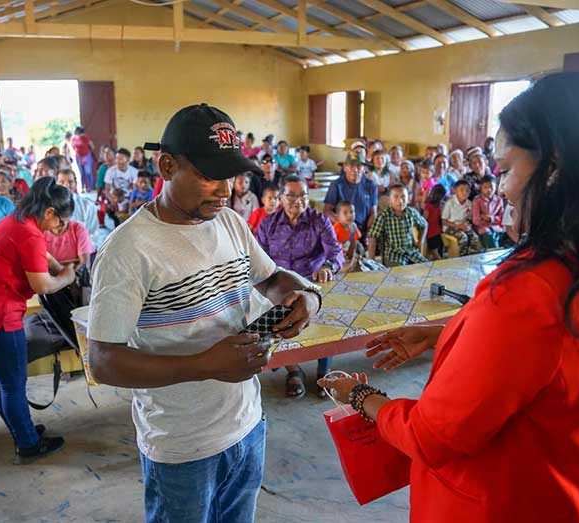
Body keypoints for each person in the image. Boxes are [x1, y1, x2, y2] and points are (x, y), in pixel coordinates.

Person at [320, 71, 579, 523]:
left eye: (506, 170)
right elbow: (559, 356)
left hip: (509, 501)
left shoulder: (532, 290)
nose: (501, 188)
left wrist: (361, 396)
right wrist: (448, 331)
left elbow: (433, 436)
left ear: (556, 168)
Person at [87, 104, 322, 523]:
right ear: (166, 166)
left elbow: (272, 281)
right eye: (210, 175)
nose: (225, 189)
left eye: (231, 176)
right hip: (182, 447)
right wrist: (204, 365)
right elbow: (103, 361)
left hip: (248, 424)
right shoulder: (128, 250)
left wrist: (306, 297)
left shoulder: (230, 223)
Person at [0, 177, 76, 464]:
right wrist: (66, 276)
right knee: (12, 385)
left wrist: (55, 264)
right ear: (49, 212)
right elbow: (43, 286)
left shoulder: (17, 221)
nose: (61, 229)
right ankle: (29, 445)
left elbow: (37, 253)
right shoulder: (30, 234)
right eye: (62, 223)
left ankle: (20, 430)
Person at [257, 175, 343, 399]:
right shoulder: (268, 224)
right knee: (278, 321)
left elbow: (335, 252)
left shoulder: (319, 221)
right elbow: (257, 259)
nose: (298, 200)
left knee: (324, 315)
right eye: (291, 195)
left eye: (303, 195)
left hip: (312, 283)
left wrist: (327, 265)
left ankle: (325, 371)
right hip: (280, 286)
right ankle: (293, 370)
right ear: (281, 198)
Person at [368, 185, 428, 266]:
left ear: (408, 199)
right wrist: (372, 262)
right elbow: (373, 237)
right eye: (396, 197)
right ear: (389, 200)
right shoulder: (383, 216)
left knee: (426, 267)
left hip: (411, 252)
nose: (400, 201)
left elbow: (424, 225)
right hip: (393, 255)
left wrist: (421, 241)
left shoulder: (412, 212)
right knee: (401, 273)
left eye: (403, 197)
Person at [324, 152, 378, 240]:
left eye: (359, 166)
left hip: (364, 230)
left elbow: (373, 213)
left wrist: (369, 232)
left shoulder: (371, 185)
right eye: (351, 166)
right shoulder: (336, 185)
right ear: (345, 168)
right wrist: (343, 224)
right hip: (342, 229)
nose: (355, 169)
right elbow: (327, 211)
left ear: (364, 168)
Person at [55, 169, 111, 247]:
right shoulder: (51, 207)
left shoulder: (87, 205)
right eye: (61, 182)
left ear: (75, 184)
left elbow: (94, 232)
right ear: (56, 185)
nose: (66, 185)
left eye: (70, 182)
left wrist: (84, 247)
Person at [442, 179, 480, 256]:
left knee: (474, 237)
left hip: (462, 226)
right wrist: (458, 226)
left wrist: (467, 225)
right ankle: (463, 257)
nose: (464, 192)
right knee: (463, 237)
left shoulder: (469, 203)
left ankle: (471, 256)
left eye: (467, 190)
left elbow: (469, 218)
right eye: (461, 190)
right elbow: (443, 221)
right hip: (450, 227)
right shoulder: (450, 203)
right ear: (455, 191)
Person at [472, 174, 505, 249]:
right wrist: (487, 223)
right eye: (485, 187)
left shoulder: (499, 200)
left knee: (507, 236)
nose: (489, 190)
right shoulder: (477, 200)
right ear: (481, 188)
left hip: (497, 227)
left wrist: (491, 219)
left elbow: (502, 218)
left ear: (495, 187)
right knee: (489, 236)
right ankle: (495, 256)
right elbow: (476, 220)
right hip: (482, 228)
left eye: (491, 187)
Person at [423, 184, 446, 260]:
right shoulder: (438, 206)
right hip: (435, 232)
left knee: (436, 254)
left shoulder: (429, 206)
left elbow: (424, 219)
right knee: (436, 254)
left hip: (431, 233)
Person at [72, 126, 96, 191]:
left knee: (88, 172)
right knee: (81, 173)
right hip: (78, 157)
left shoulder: (86, 138)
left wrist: (86, 154)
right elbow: (73, 147)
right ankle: (83, 187)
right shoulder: (74, 138)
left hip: (87, 156)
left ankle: (90, 187)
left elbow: (92, 146)